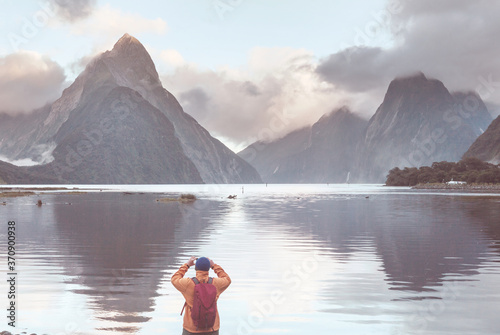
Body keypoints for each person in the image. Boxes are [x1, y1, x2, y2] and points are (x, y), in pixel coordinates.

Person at [171, 256, 231, 335]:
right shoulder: (216, 283)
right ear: (208, 268)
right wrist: (214, 266)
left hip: (191, 329)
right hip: (212, 328)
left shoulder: (187, 284)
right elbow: (227, 279)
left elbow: (174, 278)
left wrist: (187, 265)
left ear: (195, 268)